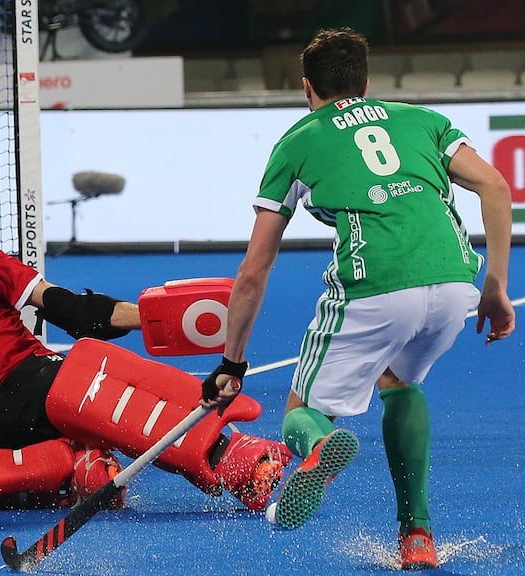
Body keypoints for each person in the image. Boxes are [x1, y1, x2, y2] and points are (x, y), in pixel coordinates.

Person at [199, 28, 515, 570]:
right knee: (399, 381)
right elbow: (496, 188)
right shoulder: (424, 120)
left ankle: (319, 446)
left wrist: (232, 361)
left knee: (302, 412)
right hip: (454, 284)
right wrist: (496, 287)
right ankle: (417, 536)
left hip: (375, 287)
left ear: (307, 87)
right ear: (366, 84)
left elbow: (254, 270)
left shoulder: (297, 142)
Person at [0, 171, 293, 514]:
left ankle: (237, 458)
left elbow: (61, 305)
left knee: (80, 389)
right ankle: (70, 466)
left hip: (24, 384)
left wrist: (146, 318)